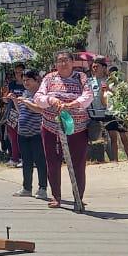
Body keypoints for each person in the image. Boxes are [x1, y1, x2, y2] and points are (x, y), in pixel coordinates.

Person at [35, 50, 94, 209]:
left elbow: (88, 96)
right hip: (51, 126)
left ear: (72, 62)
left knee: (78, 164)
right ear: (56, 64)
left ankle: (78, 198)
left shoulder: (81, 77)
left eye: (66, 60)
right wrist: (51, 100)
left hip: (77, 127)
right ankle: (56, 196)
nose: (63, 63)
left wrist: (72, 104)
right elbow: (38, 97)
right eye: (60, 60)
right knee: (52, 162)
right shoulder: (49, 78)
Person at [10, 70, 48, 199]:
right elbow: (21, 110)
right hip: (23, 132)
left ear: (36, 79)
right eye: (24, 80)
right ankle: (27, 187)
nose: (25, 83)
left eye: (28, 80)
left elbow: (40, 109)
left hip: (37, 133)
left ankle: (42, 188)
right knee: (26, 161)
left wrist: (26, 101)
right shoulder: (25, 93)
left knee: (40, 161)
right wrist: (15, 100)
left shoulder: (41, 94)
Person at [4, 63, 27, 166]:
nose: (18, 74)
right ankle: (14, 158)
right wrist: (7, 96)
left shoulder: (26, 84)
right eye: (16, 72)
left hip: (24, 112)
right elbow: (4, 100)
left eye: (20, 72)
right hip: (12, 112)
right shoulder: (12, 84)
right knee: (12, 136)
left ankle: (24, 157)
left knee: (22, 136)